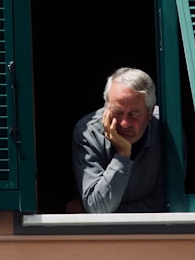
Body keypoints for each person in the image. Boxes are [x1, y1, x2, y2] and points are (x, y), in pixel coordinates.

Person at [71, 67, 165, 213]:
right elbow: (98, 208)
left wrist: (115, 212)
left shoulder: (167, 128)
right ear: (106, 107)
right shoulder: (88, 132)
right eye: (117, 112)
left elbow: (166, 202)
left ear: (150, 112)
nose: (124, 123)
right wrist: (122, 155)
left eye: (134, 114)